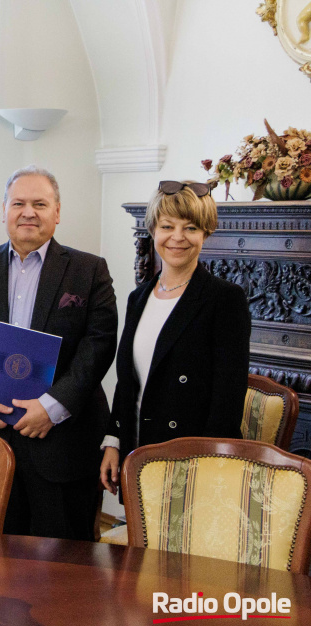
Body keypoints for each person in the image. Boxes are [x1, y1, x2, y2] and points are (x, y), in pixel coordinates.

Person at [0, 165, 117, 541]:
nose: (28, 212)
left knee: (64, 567)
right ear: (4, 210)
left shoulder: (89, 270)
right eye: (18, 203)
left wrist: (52, 407)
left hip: (62, 444)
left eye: (40, 203)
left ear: (57, 212)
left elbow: (99, 344)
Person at [99, 181, 250, 495]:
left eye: (191, 227)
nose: (178, 237)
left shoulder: (224, 299)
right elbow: (128, 382)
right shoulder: (138, 297)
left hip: (193, 463)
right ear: (153, 229)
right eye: (167, 226)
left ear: (206, 233)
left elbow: (228, 400)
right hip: (137, 452)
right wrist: (113, 440)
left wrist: (206, 468)